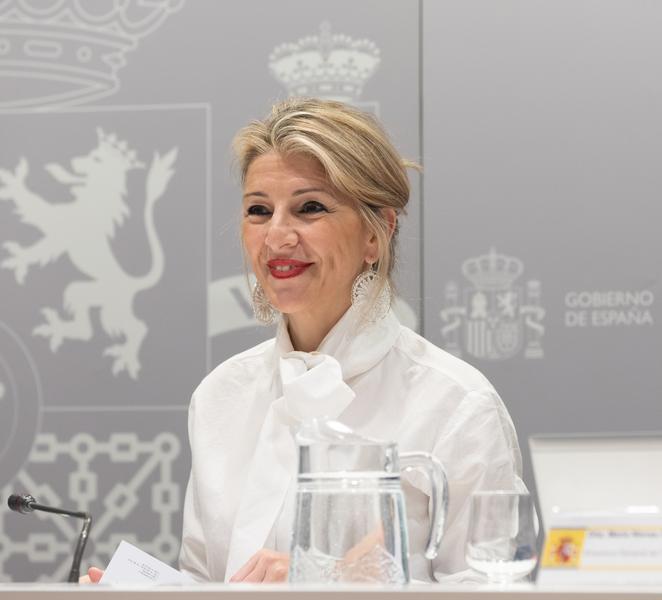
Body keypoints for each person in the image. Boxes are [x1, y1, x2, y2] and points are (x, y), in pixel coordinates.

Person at [173, 98, 524, 584]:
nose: (276, 236)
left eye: (309, 208)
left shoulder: (456, 403)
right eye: (259, 210)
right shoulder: (219, 395)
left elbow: (490, 588)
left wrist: (332, 584)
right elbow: (199, 582)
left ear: (376, 234)